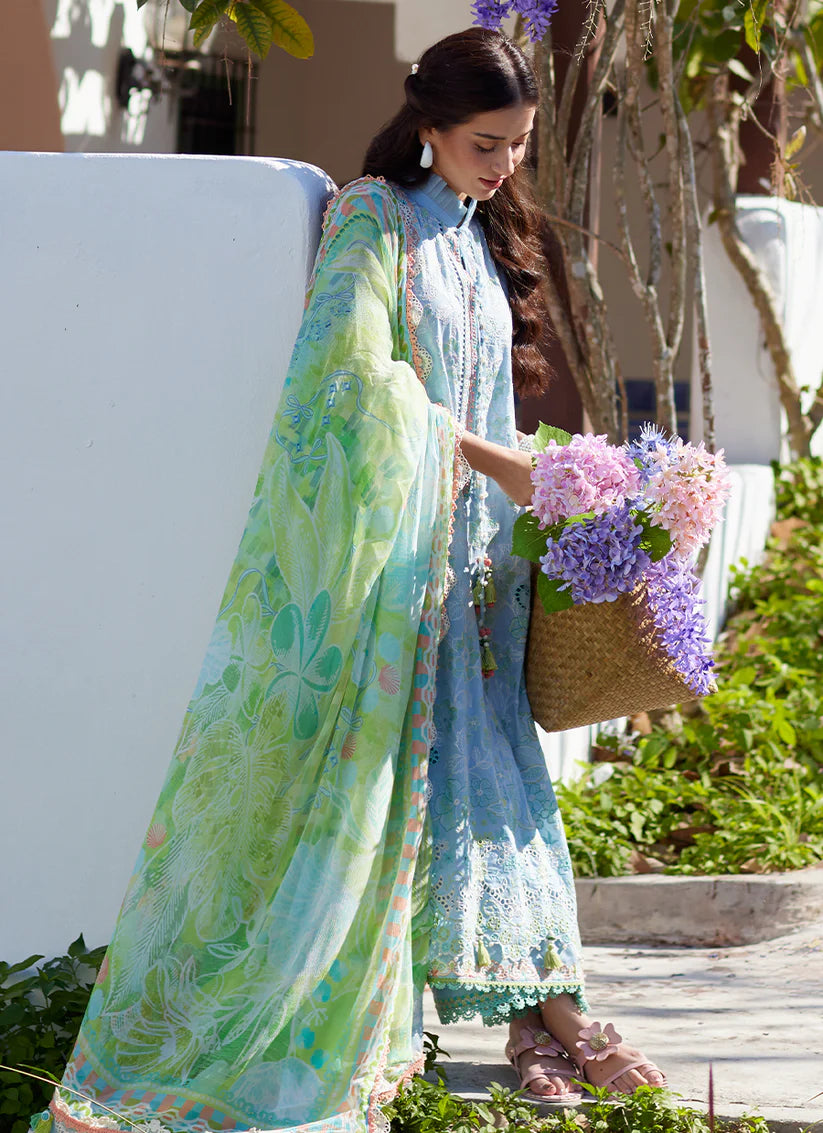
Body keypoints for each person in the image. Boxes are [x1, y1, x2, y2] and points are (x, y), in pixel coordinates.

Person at [33, 27, 663, 1133]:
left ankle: (542, 1018)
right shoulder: (374, 217)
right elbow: (350, 376)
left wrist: (561, 483)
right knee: (434, 796)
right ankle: (547, 1020)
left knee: (503, 793)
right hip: (397, 571)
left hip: (475, 573)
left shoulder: (475, 234)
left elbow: (484, 391)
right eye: (485, 142)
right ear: (429, 123)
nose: (504, 165)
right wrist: (493, 462)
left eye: (517, 144)